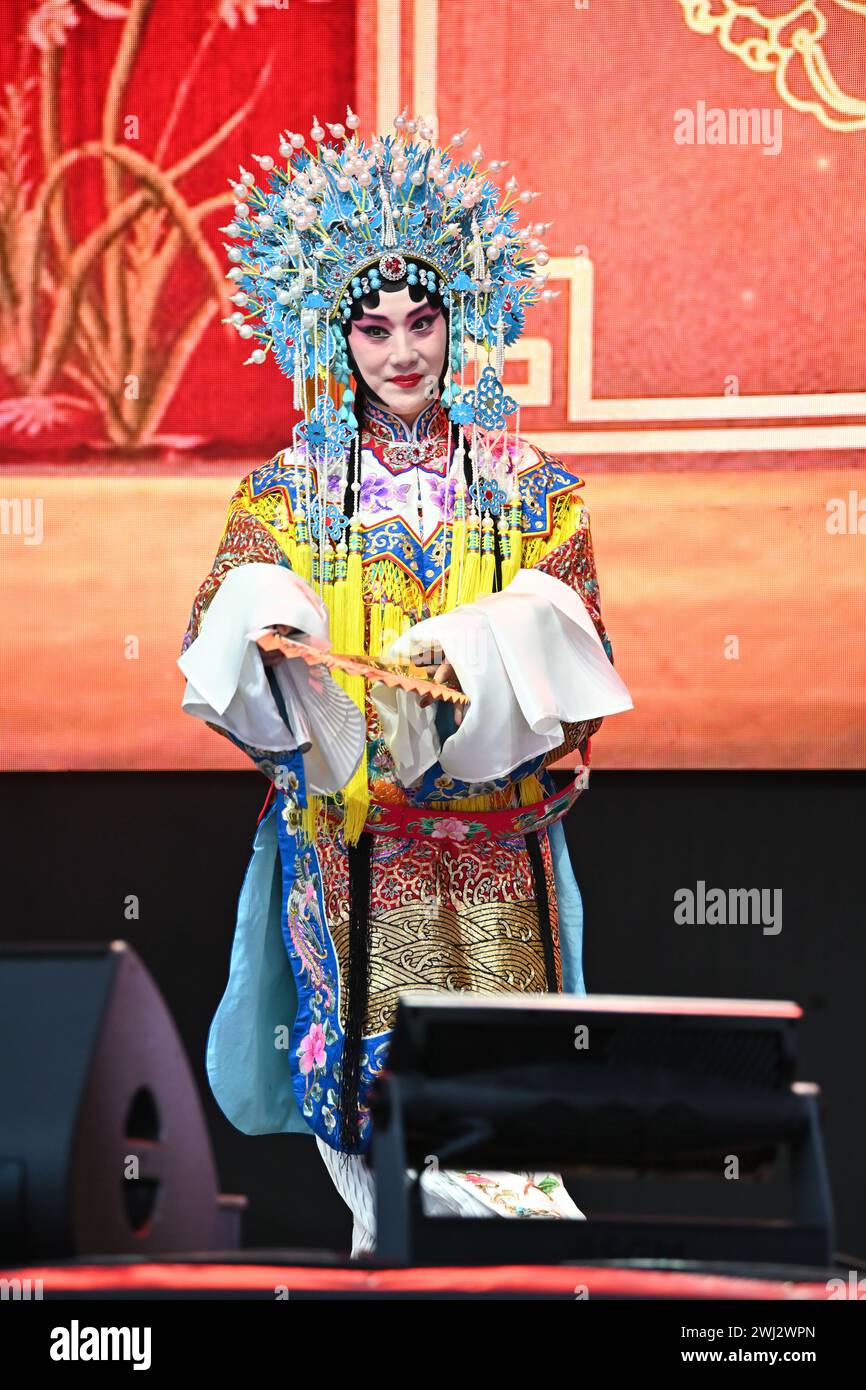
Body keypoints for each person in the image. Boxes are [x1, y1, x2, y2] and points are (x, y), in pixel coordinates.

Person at [178, 109, 633, 1257]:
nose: (399, 353)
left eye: (421, 320)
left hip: (491, 843)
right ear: (331, 334)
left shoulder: (532, 487)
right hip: (350, 843)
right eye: (371, 326)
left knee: (499, 1113)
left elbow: (579, 646)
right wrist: (268, 621)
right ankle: (394, 1275)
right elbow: (223, 618)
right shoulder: (287, 487)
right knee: (370, 1120)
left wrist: (485, 646)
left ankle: (509, 1280)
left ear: (457, 319)